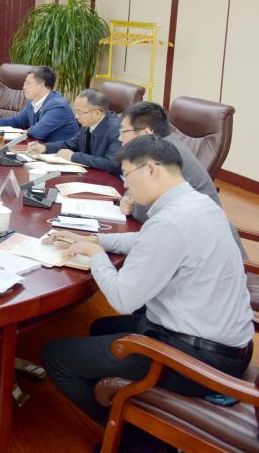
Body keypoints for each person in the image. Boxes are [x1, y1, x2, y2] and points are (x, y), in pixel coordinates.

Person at [42, 135, 252, 453]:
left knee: (56, 356)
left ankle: (140, 439)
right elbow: (146, 241)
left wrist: (95, 256)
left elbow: (123, 299)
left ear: (151, 170)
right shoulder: (196, 204)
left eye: (127, 175)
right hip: (229, 344)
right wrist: (95, 240)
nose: (126, 185)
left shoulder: (170, 221)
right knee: (102, 327)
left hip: (198, 358)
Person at [116, 100, 243, 255]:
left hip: (209, 249)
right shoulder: (160, 148)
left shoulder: (160, 158)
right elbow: (134, 184)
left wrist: (132, 206)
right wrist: (127, 198)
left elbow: (147, 213)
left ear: (146, 132)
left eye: (124, 131)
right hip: (192, 239)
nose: (120, 138)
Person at [27, 88, 121, 175]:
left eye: (80, 112)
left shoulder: (117, 129)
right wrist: (45, 148)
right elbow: (72, 143)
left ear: (97, 113)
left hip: (110, 180)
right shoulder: (88, 122)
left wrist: (74, 157)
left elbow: (112, 164)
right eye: (76, 111)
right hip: (89, 174)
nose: (76, 116)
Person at [0, 66, 78, 143]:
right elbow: (19, 120)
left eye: (28, 83)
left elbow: (38, 132)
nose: (24, 87)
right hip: (40, 150)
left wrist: (25, 131)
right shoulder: (32, 101)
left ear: (41, 86)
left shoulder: (58, 106)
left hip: (59, 156)